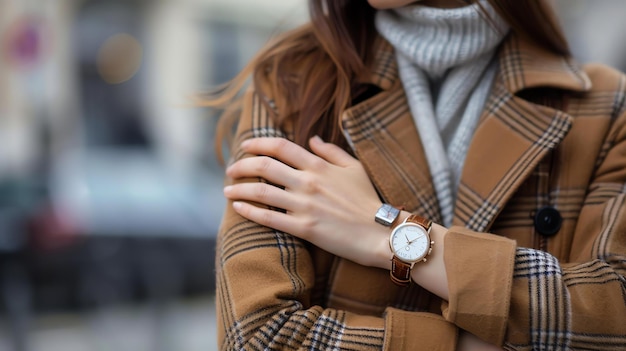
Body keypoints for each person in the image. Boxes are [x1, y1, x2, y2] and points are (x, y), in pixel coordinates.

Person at [210, 0, 626, 349]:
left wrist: (386, 232)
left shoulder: (606, 109)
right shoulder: (295, 84)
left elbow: (615, 310)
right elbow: (258, 336)